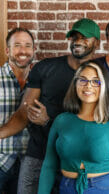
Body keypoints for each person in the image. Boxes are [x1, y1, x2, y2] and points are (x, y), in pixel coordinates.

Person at [0, 18, 100, 193]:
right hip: (38, 155)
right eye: (74, 37)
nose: (78, 41)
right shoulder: (45, 68)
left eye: (85, 38)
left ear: (96, 43)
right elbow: (24, 113)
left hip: (74, 161)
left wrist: (47, 120)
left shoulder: (99, 75)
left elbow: (93, 125)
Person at [38, 61, 109, 194]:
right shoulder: (61, 121)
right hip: (66, 187)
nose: (88, 86)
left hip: (102, 188)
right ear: (75, 84)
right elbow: (49, 166)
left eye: (95, 81)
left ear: (103, 86)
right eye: (83, 80)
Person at [0, 28, 34, 194]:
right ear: (8, 50)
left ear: (33, 50)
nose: (23, 51)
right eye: (17, 45)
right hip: (1, 161)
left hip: (29, 164)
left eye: (28, 46)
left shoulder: (40, 82)